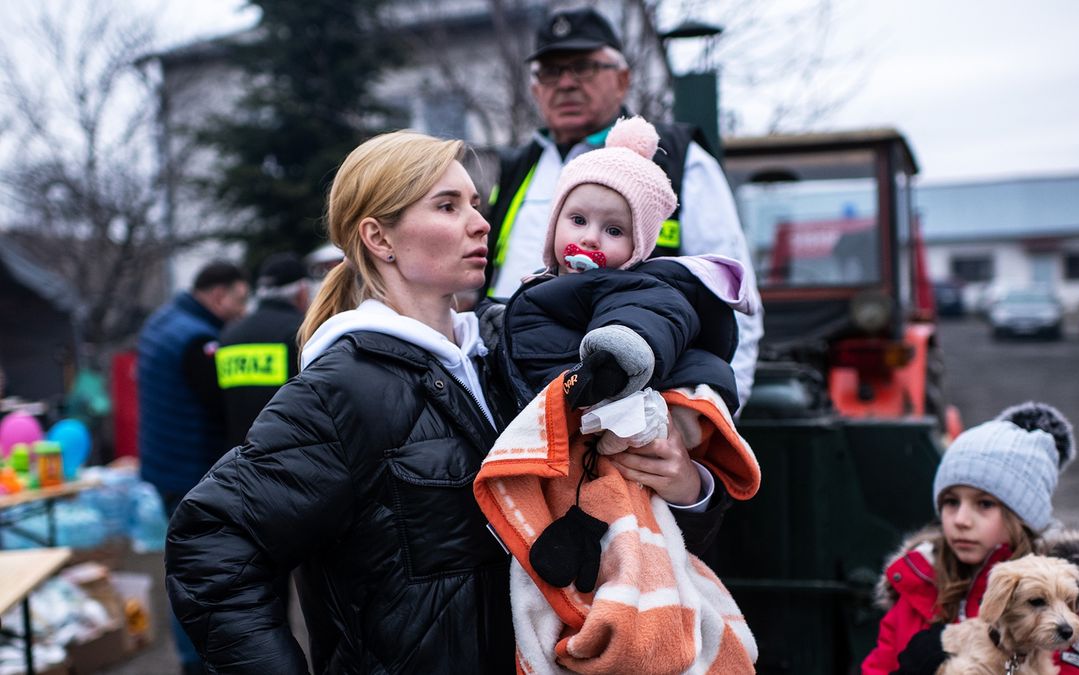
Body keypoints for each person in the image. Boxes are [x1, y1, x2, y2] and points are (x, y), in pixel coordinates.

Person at [164, 130, 728, 674]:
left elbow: (616, 523)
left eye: (476, 204)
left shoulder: (511, 355)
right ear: (379, 239)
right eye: (448, 205)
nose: (481, 223)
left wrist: (686, 490)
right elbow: (210, 544)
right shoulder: (341, 390)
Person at [483, 6, 763, 411]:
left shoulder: (678, 156)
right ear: (534, 89)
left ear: (623, 79)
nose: (565, 83)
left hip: (635, 402)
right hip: (519, 391)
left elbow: (733, 295)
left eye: (582, 67)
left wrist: (710, 425)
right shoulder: (516, 166)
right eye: (549, 72)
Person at [502, 116, 752, 459]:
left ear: (638, 248)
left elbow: (647, 317)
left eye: (614, 231)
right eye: (577, 220)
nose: (590, 237)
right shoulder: (540, 286)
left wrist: (614, 358)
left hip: (609, 412)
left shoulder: (630, 287)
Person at [861, 402, 1079, 675]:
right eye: (951, 502)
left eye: (984, 504)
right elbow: (877, 668)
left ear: (1022, 517)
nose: (961, 519)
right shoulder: (918, 580)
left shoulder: (1058, 591)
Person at [136, 260, 248, 675]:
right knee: (197, 577)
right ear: (218, 295)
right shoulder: (198, 340)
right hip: (189, 473)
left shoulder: (162, 321)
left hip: (164, 468)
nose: (241, 310)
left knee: (183, 571)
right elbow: (220, 406)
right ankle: (196, 663)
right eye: (238, 300)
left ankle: (192, 658)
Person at [215, 252, 311, 447]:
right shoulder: (302, 333)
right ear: (302, 291)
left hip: (237, 461)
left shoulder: (229, 336)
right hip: (289, 455)